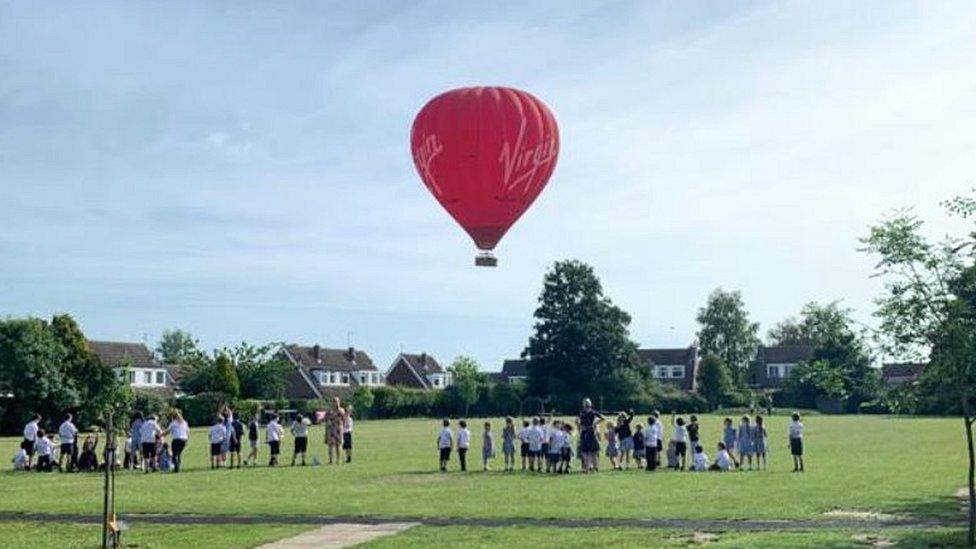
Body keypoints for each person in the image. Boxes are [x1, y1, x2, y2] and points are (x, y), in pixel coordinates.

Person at [577, 398, 605, 473]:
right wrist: (595, 423)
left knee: (585, 452)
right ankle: (594, 468)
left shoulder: (582, 412)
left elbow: (578, 421)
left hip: (584, 432)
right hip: (591, 431)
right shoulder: (593, 412)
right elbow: (603, 418)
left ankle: (587, 468)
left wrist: (580, 427)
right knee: (593, 452)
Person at [334, 397, 354, 464]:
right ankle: (344, 458)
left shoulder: (350, 419)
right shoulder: (344, 416)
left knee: (349, 446)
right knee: (344, 446)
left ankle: (349, 457)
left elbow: (350, 426)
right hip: (343, 432)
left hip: (348, 432)